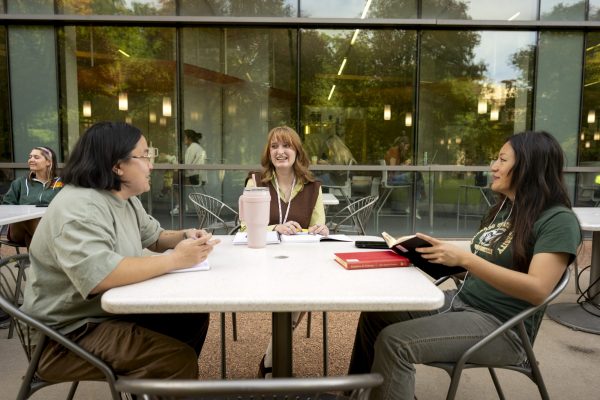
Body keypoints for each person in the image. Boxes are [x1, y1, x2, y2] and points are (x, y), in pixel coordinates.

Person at [348, 131, 581, 400]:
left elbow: (538, 289)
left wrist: (466, 259)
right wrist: (434, 257)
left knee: (395, 343)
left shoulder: (558, 221)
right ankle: (353, 394)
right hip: (461, 304)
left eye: (502, 160)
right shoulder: (506, 210)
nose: (493, 166)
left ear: (529, 167)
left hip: (503, 328)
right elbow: (484, 269)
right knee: (375, 314)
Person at [20, 121, 220, 382]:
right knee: (174, 358)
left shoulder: (122, 197)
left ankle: (155, 387)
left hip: (100, 316)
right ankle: (164, 380)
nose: (151, 164)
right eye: (145, 155)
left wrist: (185, 236)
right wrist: (176, 259)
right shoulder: (80, 207)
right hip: (63, 337)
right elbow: (101, 276)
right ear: (117, 165)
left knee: (189, 317)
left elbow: (155, 237)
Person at [244, 125, 329, 377]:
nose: (280, 152)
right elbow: (245, 225)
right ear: (268, 152)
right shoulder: (256, 181)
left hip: (299, 262)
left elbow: (320, 224)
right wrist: (275, 227)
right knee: (299, 294)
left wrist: (320, 229)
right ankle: (273, 364)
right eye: (274, 146)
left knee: (302, 289)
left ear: (296, 152)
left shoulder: (313, 186)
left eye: (286, 146)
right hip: (262, 260)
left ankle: (270, 363)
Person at [2, 146, 63, 248]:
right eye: (30, 157)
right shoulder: (20, 183)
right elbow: (7, 206)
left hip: (51, 226)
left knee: (29, 237)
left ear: (48, 162)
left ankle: (32, 260)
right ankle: (49, 249)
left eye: (36, 157)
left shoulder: (61, 183)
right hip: (18, 230)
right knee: (29, 218)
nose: (31, 160)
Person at [384, 136, 426, 219]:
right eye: (406, 147)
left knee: (416, 178)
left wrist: (403, 165)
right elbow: (392, 168)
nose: (407, 149)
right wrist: (404, 165)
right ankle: (417, 202)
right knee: (416, 175)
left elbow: (396, 167)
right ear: (402, 144)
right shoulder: (394, 151)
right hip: (392, 178)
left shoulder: (398, 153)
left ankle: (414, 205)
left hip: (395, 176)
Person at [171, 129, 207, 215]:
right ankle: (182, 205)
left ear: (189, 138)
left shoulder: (192, 148)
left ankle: (181, 205)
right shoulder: (197, 147)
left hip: (195, 177)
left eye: (184, 137)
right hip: (199, 177)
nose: (183, 139)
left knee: (175, 183)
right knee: (177, 180)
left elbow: (187, 165)